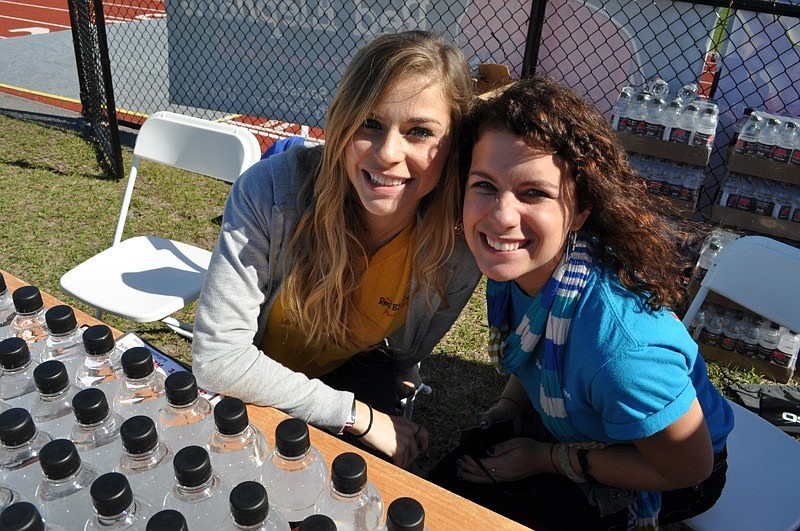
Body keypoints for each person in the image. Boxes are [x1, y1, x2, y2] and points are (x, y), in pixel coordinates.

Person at [429, 76, 734, 530]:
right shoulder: (524, 270)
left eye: (534, 193)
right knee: (444, 487)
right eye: (485, 185)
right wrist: (512, 408)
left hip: (668, 470)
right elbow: (537, 349)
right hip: (576, 429)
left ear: (581, 211)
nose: (500, 216)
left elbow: (690, 468)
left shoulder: (623, 353)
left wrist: (548, 459)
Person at [191, 31, 481, 468]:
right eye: (370, 123)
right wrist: (358, 416)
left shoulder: (457, 247)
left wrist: (396, 383)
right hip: (249, 381)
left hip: (347, 370)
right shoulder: (272, 190)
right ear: (342, 121)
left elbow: (408, 353)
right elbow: (220, 360)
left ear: (453, 147)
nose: (387, 153)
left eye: (419, 132)